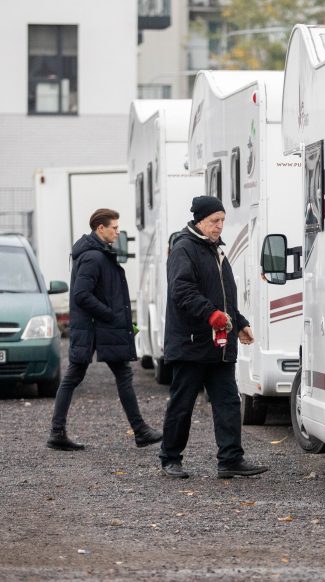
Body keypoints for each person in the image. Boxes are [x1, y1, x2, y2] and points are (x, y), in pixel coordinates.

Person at [159, 196, 268, 479]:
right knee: (182, 404)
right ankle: (170, 458)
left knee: (229, 402)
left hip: (219, 346)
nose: (220, 226)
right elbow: (182, 292)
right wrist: (212, 316)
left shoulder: (215, 250)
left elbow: (224, 295)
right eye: (214, 221)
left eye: (222, 220)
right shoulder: (184, 249)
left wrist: (239, 322)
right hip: (191, 344)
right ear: (199, 221)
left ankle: (230, 459)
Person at [47, 209, 163, 451]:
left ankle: (58, 432)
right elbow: (81, 295)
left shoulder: (97, 254)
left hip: (98, 327)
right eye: (115, 228)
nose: (118, 232)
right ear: (101, 228)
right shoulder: (93, 257)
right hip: (95, 327)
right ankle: (139, 430)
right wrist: (110, 314)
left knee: (89, 375)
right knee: (91, 376)